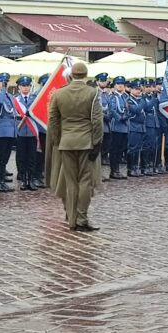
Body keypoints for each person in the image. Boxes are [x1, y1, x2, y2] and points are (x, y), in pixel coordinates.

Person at [45, 61, 103, 232]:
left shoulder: (58, 94)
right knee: (85, 180)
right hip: (86, 142)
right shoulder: (92, 93)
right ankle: (81, 218)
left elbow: (53, 120)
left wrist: (58, 141)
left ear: (71, 75)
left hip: (66, 142)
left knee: (70, 181)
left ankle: (71, 220)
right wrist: (97, 142)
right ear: (85, 75)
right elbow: (97, 121)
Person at [0, 73, 16, 193]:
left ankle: (2, 180)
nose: (4, 84)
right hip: (1, 131)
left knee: (5, 157)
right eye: (1, 82)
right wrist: (3, 90)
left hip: (10, 131)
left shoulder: (10, 96)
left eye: (6, 82)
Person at [13, 76, 37, 190]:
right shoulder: (15, 100)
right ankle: (23, 179)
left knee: (32, 156)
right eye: (23, 86)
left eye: (28, 86)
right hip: (20, 131)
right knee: (21, 157)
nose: (26, 88)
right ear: (19, 87)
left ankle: (31, 179)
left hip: (32, 131)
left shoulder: (35, 99)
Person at [107, 76, 129, 179]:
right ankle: (114, 170)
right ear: (114, 85)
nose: (120, 86)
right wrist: (120, 118)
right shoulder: (112, 97)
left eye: (122, 84)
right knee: (114, 149)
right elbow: (112, 110)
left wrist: (127, 116)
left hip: (125, 127)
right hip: (116, 126)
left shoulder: (125, 97)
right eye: (118, 84)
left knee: (121, 149)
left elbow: (129, 108)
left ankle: (118, 169)